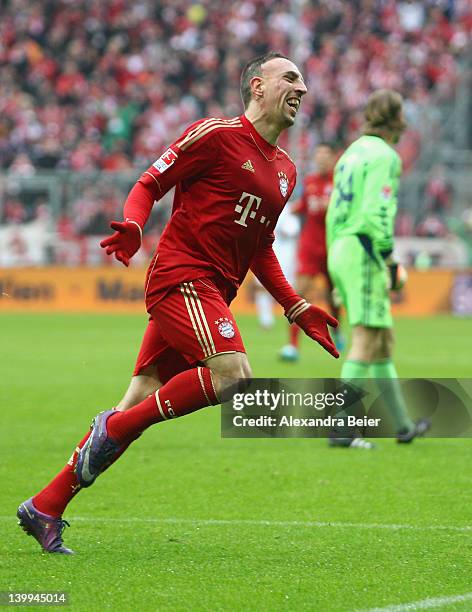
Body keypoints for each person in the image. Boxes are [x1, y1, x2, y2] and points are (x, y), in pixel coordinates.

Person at [17, 52, 340, 554]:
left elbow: (260, 245)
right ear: (258, 86)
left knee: (136, 397)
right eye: (291, 78)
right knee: (235, 378)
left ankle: (46, 505)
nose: (303, 88)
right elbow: (151, 182)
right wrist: (133, 223)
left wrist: (296, 307)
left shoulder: (286, 171)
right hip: (182, 278)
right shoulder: (215, 134)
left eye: (304, 80)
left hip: (213, 292)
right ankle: (116, 426)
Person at [325, 88, 430, 448]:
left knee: (383, 341)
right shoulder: (386, 156)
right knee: (366, 340)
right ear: (398, 119)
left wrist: (334, 263)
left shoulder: (349, 154)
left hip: (341, 245)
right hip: (364, 247)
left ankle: (403, 426)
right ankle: (340, 427)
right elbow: (375, 214)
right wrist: (389, 260)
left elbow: (333, 213)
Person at [279, 142, 344, 361]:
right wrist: (283, 209)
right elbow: (304, 207)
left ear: (333, 158)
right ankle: (292, 346)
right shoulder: (309, 183)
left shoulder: (340, 184)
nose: (322, 159)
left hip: (332, 247)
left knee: (333, 296)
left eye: (326, 155)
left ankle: (337, 329)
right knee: (300, 295)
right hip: (310, 247)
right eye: (319, 155)